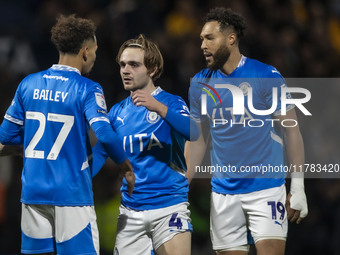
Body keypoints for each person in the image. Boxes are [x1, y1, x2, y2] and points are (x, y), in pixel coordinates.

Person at [0, 14, 134, 255]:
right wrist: (126, 167)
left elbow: (6, 138)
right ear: (85, 51)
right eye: (94, 51)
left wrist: (33, 147)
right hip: (71, 195)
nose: (94, 56)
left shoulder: (28, 84)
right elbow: (104, 134)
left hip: (32, 194)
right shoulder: (87, 88)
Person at [187, 7, 308, 255]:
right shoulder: (199, 83)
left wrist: (297, 185)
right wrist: (180, 187)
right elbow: (198, 140)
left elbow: (291, 130)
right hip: (223, 194)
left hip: (266, 188)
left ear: (231, 38)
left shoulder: (265, 75)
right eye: (201, 39)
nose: (202, 45)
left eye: (209, 38)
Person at [91, 34, 200, 255]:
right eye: (122, 64)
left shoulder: (170, 102)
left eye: (133, 64)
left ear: (152, 69)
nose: (125, 70)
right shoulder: (117, 112)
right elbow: (101, 152)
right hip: (131, 210)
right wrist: (77, 179)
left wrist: (158, 108)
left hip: (169, 206)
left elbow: (195, 132)